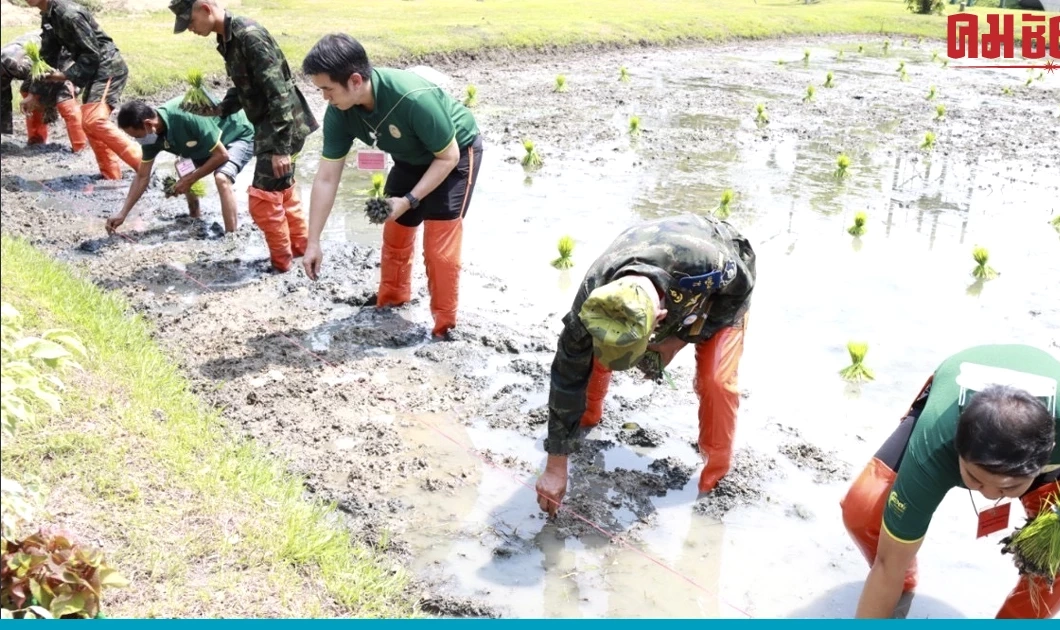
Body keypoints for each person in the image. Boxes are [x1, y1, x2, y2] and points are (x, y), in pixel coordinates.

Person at [840, 344, 1060, 619]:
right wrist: (893, 575)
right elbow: (887, 566)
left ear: (1050, 453)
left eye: (1008, 487)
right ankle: (904, 585)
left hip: (1050, 437)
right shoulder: (936, 441)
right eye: (975, 478)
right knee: (864, 509)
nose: (989, 495)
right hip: (949, 420)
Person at [533, 214, 756, 517]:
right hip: (650, 254)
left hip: (720, 290)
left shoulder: (709, 267)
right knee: (593, 352)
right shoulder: (593, 298)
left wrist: (678, 340)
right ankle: (588, 418)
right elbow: (566, 375)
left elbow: (741, 289)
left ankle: (714, 475)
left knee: (716, 381)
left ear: (659, 321)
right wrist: (556, 465)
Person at [298, 33, 484, 339]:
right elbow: (327, 177)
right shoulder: (339, 113)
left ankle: (444, 327)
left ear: (355, 81)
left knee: (439, 247)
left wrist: (409, 199)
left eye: (327, 89)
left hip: (455, 154)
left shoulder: (412, 98)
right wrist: (313, 241)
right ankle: (393, 299)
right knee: (395, 229)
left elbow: (447, 156)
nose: (324, 98)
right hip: (410, 158)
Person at [169, 0, 318, 272]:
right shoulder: (226, 40)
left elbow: (278, 93)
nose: (190, 29)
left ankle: (282, 264)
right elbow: (243, 88)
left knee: (263, 200)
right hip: (269, 126)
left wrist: (281, 148)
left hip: (282, 127)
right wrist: (218, 110)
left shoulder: (249, 36)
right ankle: (299, 251)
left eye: (189, 22)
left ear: (205, 7)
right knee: (281, 191)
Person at [26, 0, 141, 179]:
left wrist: (65, 76)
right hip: (94, 72)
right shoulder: (49, 16)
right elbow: (48, 55)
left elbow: (92, 53)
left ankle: (143, 164)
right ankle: (111, 176)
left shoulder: (69, 14)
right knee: (90, 124)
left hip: (107, 67)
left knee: (93, 120)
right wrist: (34, 93)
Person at [105, 98, 254, 235]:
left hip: (237, 135)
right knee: (183, 166)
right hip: (206, 145)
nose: (137, 140)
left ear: (148, 124)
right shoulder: (151, 137)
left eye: (136, 135)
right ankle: (195, 216)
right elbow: (142, 176)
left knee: (222, 178)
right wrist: (122, 213)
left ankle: (231, 235)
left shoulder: (184, 115)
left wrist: (189, 180)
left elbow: (221, 155)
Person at [1, 30, 86, 151]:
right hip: (42, 59)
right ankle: (37, 140)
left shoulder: (13, 63)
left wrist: (35, 95)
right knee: (27, 90)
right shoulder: (7, 65)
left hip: (66, 56)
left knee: (64, 98)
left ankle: (80, 147)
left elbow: (46, 69)